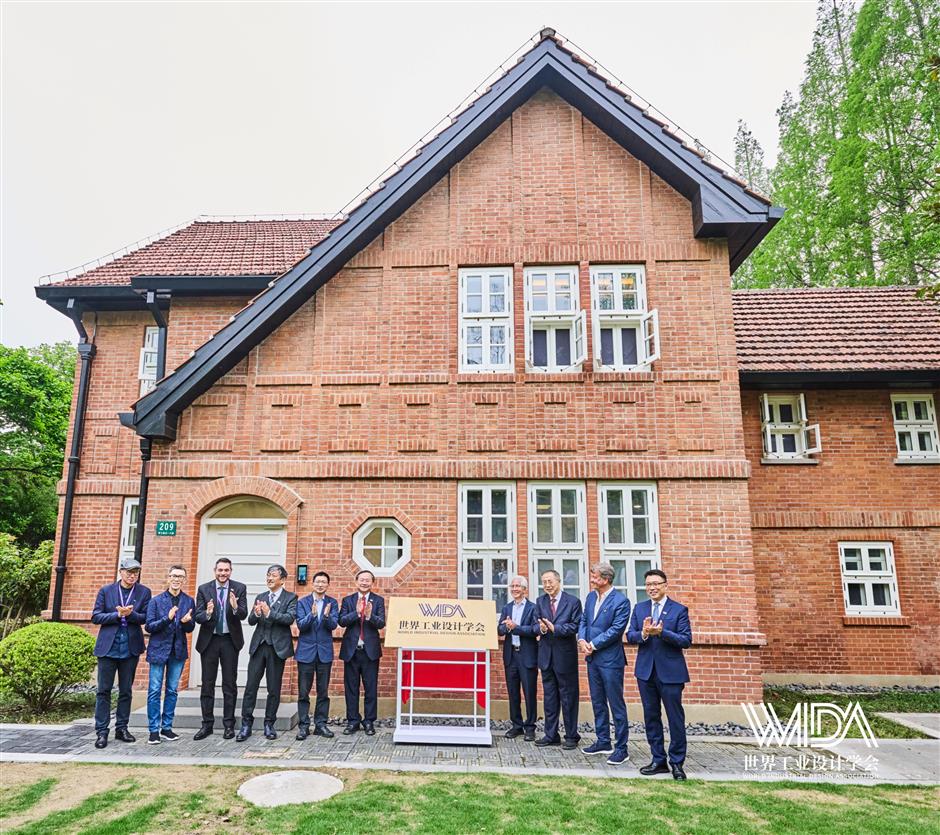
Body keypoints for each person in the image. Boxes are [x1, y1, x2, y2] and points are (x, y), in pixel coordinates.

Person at [626, 568, 693, 781]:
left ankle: (677, 763)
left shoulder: (679, 610)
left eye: (656, 584)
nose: (652, 588)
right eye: (648, 584)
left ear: (665, 585)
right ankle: (658, 759)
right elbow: (630, 635)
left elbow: (686, 640)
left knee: (675, 717)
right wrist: (644, 633)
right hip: (646, 672)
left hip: (671, 673)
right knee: (651, 716)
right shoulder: (640, 608)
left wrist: (662, 633)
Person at [90, 557, 152, 749]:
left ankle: (122, 728)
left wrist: (130, 614)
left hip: (130, 647)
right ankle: (101, 731)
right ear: (121, 572)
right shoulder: (106, 591)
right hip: (108, 647)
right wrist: (117, 615)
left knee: (126, 690)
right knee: (104, 691)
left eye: (135, 573)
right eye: (129, 572)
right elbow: (96, 616)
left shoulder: (144, 592)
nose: (132, 576)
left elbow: (146, 617)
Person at [237, 564, 298, 741]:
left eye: (273, 575)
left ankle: (269, 724)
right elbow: (250, 620)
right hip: (258, 646)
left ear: (283, 580)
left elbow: (289, 619)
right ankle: (246, 724)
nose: (269, 578)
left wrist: (270, 612)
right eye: (268, 575)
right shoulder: (261, 596)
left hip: (277, 649)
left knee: (273, 688)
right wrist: (256, 613)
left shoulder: (291, 597)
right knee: (251, 687)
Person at [578, 563, 630, 765]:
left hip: (610, 660)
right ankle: (603, 741)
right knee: (597, 701)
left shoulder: (621, 601)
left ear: (606, 579)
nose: (592, 580)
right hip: (592, 658)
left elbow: (616, 630)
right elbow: (584, 621)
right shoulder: (591, 597)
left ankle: (621, 748)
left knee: (616, 704)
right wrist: (581, 640)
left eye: (595, 577)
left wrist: (593, 644)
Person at [193, 557, 248, 740]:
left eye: (226, 570)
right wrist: (207, 613)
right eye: (220, 570)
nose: (223, 573)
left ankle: (229, 725)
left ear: (230, 571)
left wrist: (234, 607)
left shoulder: (239, 588)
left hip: (229, 641)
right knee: (207, 684)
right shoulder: (204, 589)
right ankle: (206, 725)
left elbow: (243, 614)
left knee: (229, 685)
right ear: (214, 571)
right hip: (209, 641)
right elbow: (198, 616)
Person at [144, 564, 196, 744]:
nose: (176, 579)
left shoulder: (189, 601)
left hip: (178, 651)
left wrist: (186, 622)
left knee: (172, 690)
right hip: (159, 651)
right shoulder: (156, 601)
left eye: (180, 576)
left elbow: (190, 628)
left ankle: (166, 727)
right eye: (174, 576)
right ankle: (153, 730)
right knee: (154, 690)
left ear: (184, 580)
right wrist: (168, 618)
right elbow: (149, 626)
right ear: (168, 578)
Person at [534, 569, 582, 750]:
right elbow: (535, 625)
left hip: (565, 657)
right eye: (544, 582)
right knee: (550, 697)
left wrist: (556, 628)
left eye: (550, 581)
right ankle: (551, 734)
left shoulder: (573, 602)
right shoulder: (540, 601)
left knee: (568, 697)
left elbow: (576, 626)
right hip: (546, 657)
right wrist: (543, 629)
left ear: (558, 581)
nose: (547, 585)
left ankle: (571, 735)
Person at [338, 569, 386, 735]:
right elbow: (342, 621)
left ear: (372, 583)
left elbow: (381, 623)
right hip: (351, 651)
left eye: (368, 580)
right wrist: (357, 613)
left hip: (370, 652)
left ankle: (369, 721)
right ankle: (353, 721)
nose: (364, 583)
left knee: (370, 688)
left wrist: (369, 615)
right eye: (362, 580)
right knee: (351, 688)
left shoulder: (378, 600)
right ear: (356, 581)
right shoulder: (348, 600)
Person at [294, 571, 339, 740]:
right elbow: (301, 625)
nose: (320, 585)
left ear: (328, 585)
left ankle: (321, 724)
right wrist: (312, 615)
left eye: (324, 582)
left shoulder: (332, 603)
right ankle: (304, 726)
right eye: (318, 582)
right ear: (313, 584)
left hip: (324, 653)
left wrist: (326, 616)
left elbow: (333, 625)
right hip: (306, 653)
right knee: (303, 692)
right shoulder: (303, 602)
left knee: (323, 692)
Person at [497, 576, 540, 741]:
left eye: (517, 586)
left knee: (529, 692)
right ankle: (516, 725)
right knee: (513, 692)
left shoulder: (533, 608)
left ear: (524, 589)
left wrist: (517, 628)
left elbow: (536, 629)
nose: (514, 589)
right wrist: (506, 627)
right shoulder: (507, 607)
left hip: (527, 654)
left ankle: (530, 727)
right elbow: (500, 629)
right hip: (511, 655)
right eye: (512, 586)